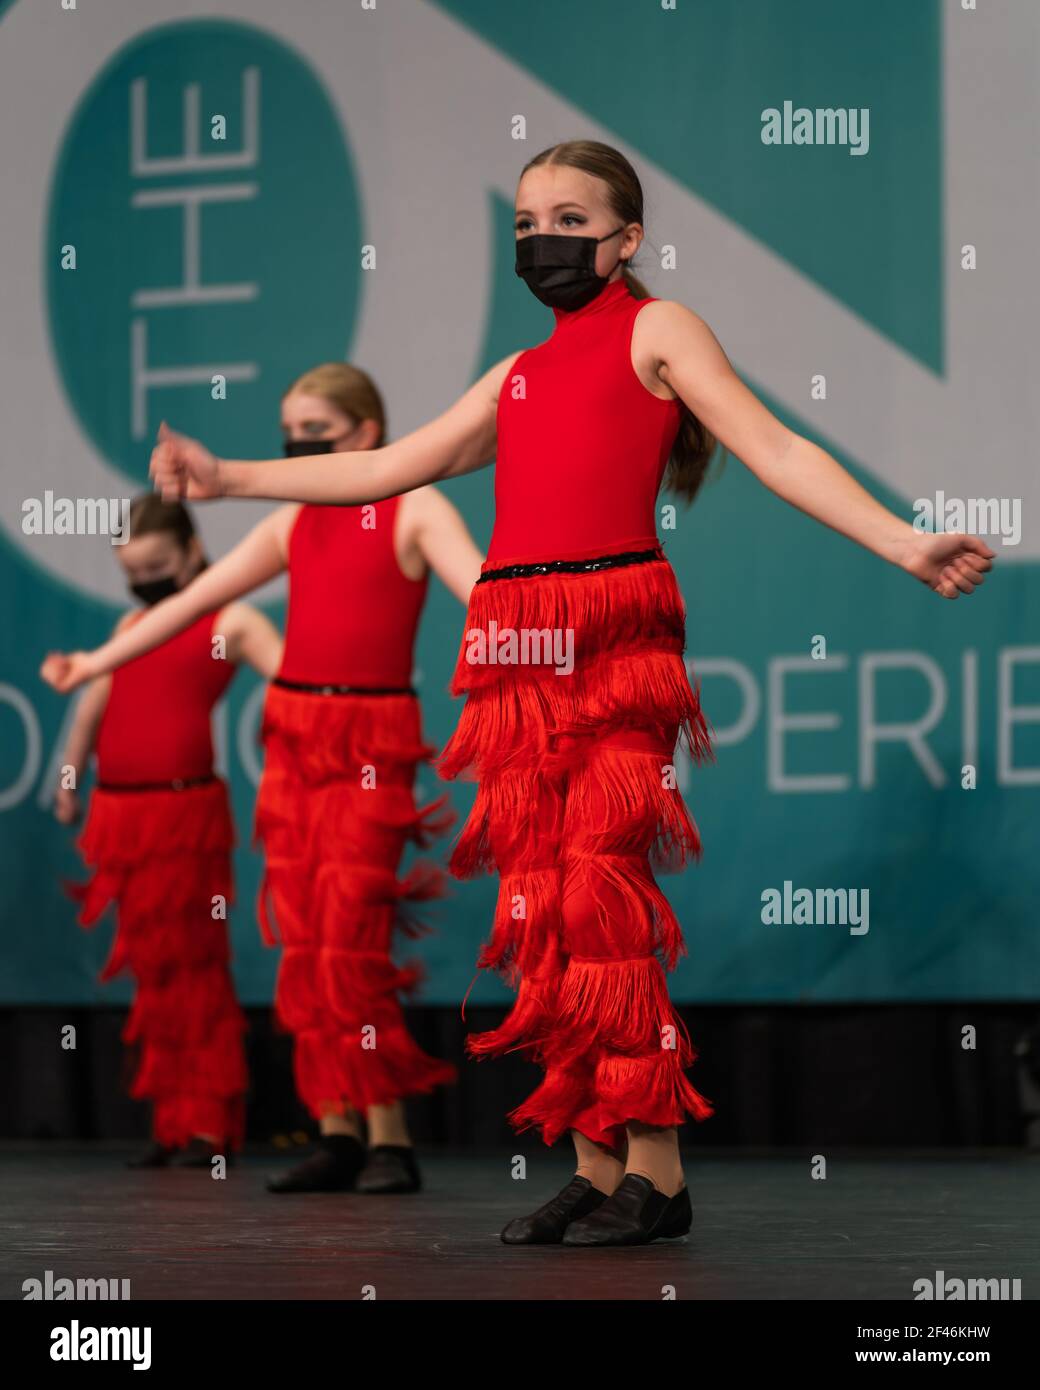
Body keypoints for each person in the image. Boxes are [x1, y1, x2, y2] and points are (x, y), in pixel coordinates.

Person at [148, 141, 995, 1245]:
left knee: (600, 899)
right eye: (524, 224)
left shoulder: (657, 330)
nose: (539, 240)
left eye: (565, 218)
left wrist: (901, 541)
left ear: (625, 237)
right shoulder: (514, 374)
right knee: (538, 912)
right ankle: (595, 1163)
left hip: (608, 633)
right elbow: (377, 468)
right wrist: (227, 479)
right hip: (510, 649)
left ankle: (658, 1167)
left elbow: (775, 448)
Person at [44, 363, 484, 1196]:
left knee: (352, 938)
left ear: (365, 431)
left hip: (370, 739)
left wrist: (547, 648)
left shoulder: (417, 506)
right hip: (294, 737)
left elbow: (487, 596)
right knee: (306, 942)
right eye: (289, 431)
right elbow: (188, 603)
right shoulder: (292, 525)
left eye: (313, 433)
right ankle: (337, 1130)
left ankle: (389, 1137)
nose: (295, 446)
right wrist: (94, 661)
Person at [43, 495, 282, 1167]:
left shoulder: (229, 619)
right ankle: (174, 1123)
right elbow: (93, 704)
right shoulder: (133, 620)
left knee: (194, 966)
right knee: (153, 971)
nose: (144, 579)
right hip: (121, 815)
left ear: (191, 552)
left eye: (156, 565)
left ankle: (208, 1125)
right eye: (132, 569)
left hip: (183, 817)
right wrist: (67, 781)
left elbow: (298, 681)